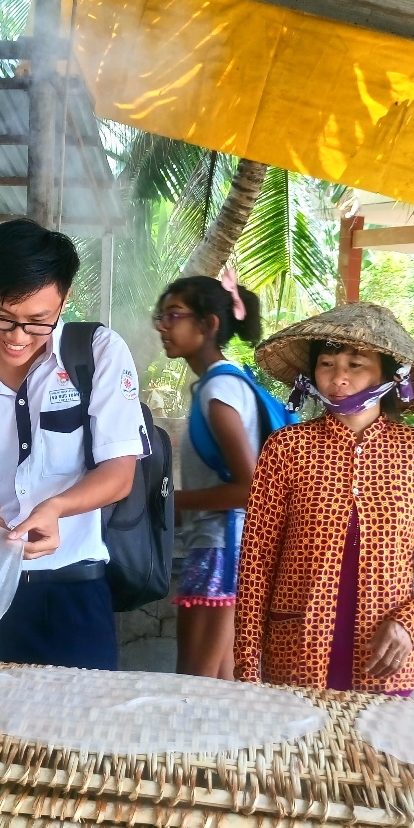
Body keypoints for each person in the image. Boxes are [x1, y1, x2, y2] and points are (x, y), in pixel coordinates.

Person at [0, 219, 150, 670]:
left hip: (72, 587)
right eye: (1, 315)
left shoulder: (97, 353)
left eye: (38, 321)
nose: (18, 336)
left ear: (65, 298)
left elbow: (119, 473)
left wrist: (56, 508)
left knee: (77, 730)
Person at [235, 304, 414, 692]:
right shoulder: (286, 449)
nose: (338, 377)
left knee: (373, 755)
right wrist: (246, 667)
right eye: (326, 363)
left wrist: (410, 620)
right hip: (297, 654)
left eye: (355, 364)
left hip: (386, 660)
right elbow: (256, 563)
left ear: (391, 375)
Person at [153, 269, 268, 678]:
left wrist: (175, 502)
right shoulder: (222, 385)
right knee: (221, 683)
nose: (163, 326)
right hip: (223, 545)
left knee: (196, 684)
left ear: (209, 324)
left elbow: (251, 488)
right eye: (160, 317)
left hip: (224, 547)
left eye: (174, 315)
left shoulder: (219, 391)